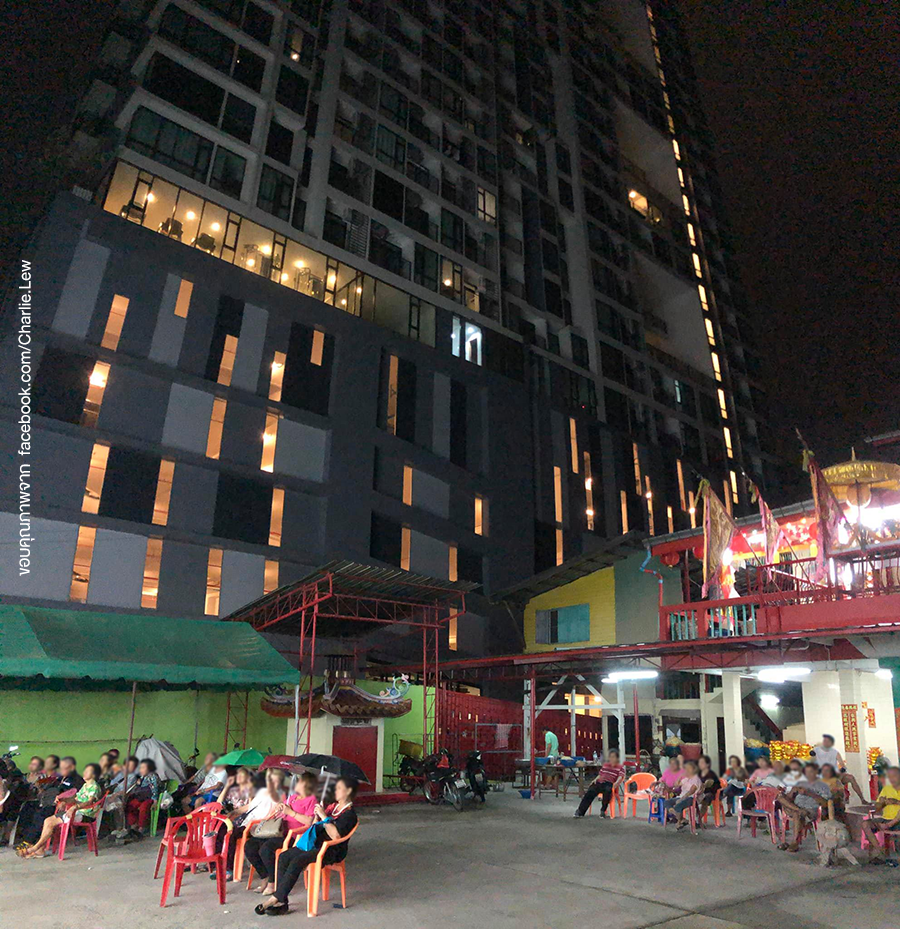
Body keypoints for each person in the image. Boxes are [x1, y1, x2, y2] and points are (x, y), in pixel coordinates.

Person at [254, 776, 358, 917]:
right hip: (315, 844)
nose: (335, 790)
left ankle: (276, 898)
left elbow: (336, 836)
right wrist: (318, 816)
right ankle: (282, 902)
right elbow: (315, 825)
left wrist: (324, 817)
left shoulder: (349, 814)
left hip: (331, 850)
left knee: (298, 861)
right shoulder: (332, 807)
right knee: (284, 856)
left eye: (339, 788)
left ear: (349, 791)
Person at [244, 772, 319, 897]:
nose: (297, 783)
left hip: (294, 836)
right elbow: (281, 811)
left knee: (266, 849)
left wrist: (291, 813)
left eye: (300, 781)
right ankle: (264, 876)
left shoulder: (311, 800)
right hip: (279, 831)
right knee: (250, 845)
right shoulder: (293, 797)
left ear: (306, 784)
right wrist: (280, 808)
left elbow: (310, 822)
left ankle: (272, 882)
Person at [211, 767, 285, 881]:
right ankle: (217, 864)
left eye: (275, 781)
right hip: (245, 822)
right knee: (220, 829)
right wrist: (234, 812)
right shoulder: (263, 792)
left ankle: (228, 868)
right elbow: (249, 807)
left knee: (230, 834)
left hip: (256, 826)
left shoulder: (278, 796)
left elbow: (273, 815)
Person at [18, 763, 102, 858]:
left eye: (87, 771)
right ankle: (39, 849)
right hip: (76, 813)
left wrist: (75, 807)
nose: (84, 772)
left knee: (50, 822)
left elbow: (89, 802)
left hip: (85, 815)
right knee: (47, 820)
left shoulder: (94, 786)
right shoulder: (85, 786)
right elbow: (75, 799)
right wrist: (64, 800)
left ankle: (36, 848)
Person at [777, 762, 831, 852]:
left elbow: (826, 803)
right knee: (780, 797)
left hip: (811, 810)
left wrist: (809, 793)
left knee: (796, 814)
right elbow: (789, 798)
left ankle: (794, 842)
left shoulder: (822, 785)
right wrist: (793, 790)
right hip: (796, 807)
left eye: (811, 772)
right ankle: (799, 810)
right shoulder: (801, 783)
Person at [861, 765, 900, 864]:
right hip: (885, 818)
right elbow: (877, 808)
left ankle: (888, 825)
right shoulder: (887, 789)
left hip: (897, 821)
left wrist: (896, 802)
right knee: (865, 824)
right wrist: (881, 803)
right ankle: (879, 850)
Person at [811, 734, 866, 802]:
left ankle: (862, 799)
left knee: (851, 777)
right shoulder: (816, 754)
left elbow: (842, 765)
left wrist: (842, 770)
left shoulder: (835, 752)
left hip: (835, 774)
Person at [573, 749, 625, 818]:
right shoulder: (606, 765)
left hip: (609, 783)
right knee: (590, 791)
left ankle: (603, 810)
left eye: (613, 757)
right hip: (600, 782)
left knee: (607, 791)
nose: (611, 759)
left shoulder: (620, 767)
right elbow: (600, 774)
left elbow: (621, 777)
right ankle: (580, 811)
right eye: (610, 757)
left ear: (617, 758)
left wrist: (616, 783)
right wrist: (595, 780)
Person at [124, 758, 162, 839]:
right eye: (140, 768)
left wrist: (155, 801)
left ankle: (142, 826)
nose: (141, 770)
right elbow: (138, 788)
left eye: (143, 768)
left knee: (143, 807)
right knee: (131, 805)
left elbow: (155, 789)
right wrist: (138, 783)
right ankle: (133, 823)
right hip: (141, 797)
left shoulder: (152, 776)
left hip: (150, 797)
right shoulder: (141, 777)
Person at [665, 759, 702, 830]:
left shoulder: (696, 779)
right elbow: (676, 785)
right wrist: (680, 776)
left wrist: (682, 799)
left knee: (678, 806)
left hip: (691, 798)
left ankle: (679, 821)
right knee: (667, 802)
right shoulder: (686, 779)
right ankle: (682, 819)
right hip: (681, 796)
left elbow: (692, 791)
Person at [695, 755, 721, 827]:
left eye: (702, 763)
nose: (700, 764)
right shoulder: (698, 774)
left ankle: (698, 819)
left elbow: (716, 786)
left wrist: (706, 785)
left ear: (707, 764)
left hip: (710, 793)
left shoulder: (711, 774)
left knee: (705, 799)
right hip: (699, 792)